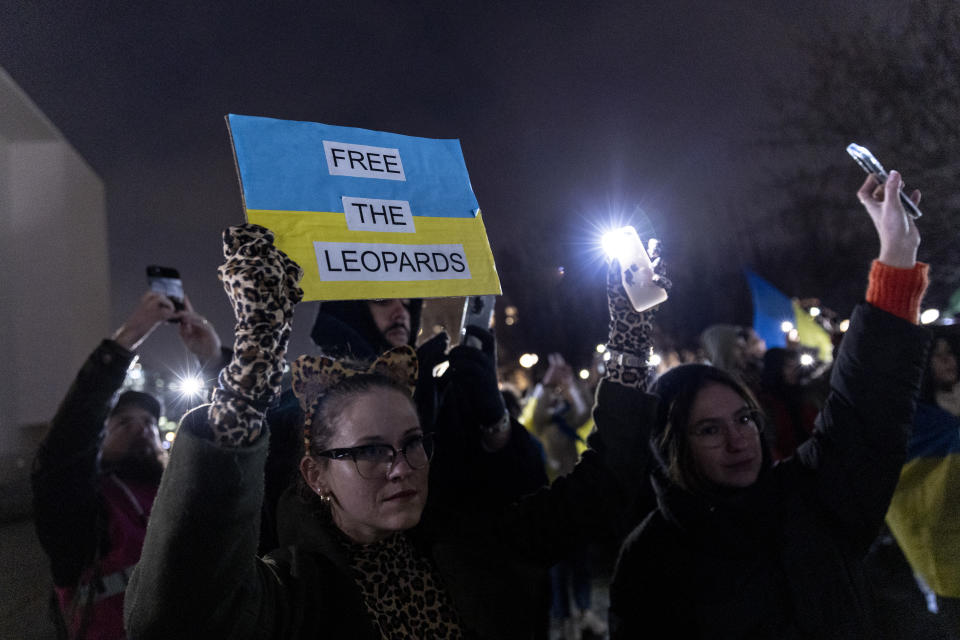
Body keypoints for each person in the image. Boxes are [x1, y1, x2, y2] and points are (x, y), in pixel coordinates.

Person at [124, 223, 661, 639]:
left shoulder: (470, 545)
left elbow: (603, 485)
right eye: (371, 451)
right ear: (315, 473)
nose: (402, 466)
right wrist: (249, 368)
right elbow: (176, 614)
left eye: (412, 444)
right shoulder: (293, 596)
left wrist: (630, 336)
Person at [608, 170, 931, 638]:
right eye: (709, 429)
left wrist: (897, 260)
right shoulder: (650, 561)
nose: (739, 439)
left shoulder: (809, 499)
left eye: (743, 418)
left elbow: (866, 409)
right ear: (669, 446)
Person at [32, 291, 221, 639]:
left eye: (149, 423)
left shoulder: (182, 488)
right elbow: (64, 450)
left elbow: (235, 441)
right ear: (98, 443)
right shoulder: (84, 509)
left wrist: (212, 359)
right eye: (123, 423)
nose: (141, 428)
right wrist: (126, 339)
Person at [885, 330, 960, 634]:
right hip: (946, 558)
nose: (949, 361)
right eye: (938, 355)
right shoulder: (910, 424)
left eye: (950, 353)